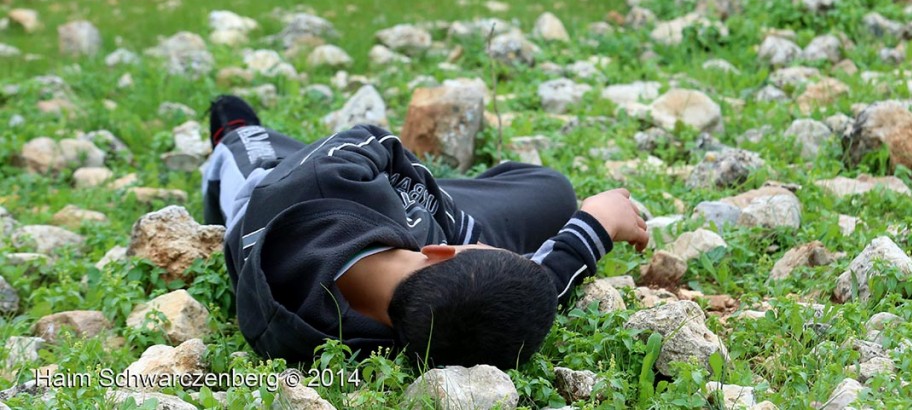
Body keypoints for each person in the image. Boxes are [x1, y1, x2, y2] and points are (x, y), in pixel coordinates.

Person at [202, 95, 649, 369]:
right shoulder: (427, 329)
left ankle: (236, 135)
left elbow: (374, 140)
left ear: (441, 252)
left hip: (275, 196)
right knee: (555, 192)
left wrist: (452, 222)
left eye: (482, 248)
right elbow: (523, 298)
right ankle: (451, 198)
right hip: (418, 215)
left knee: (255, 152)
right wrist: (596, 224)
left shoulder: (324, 180)